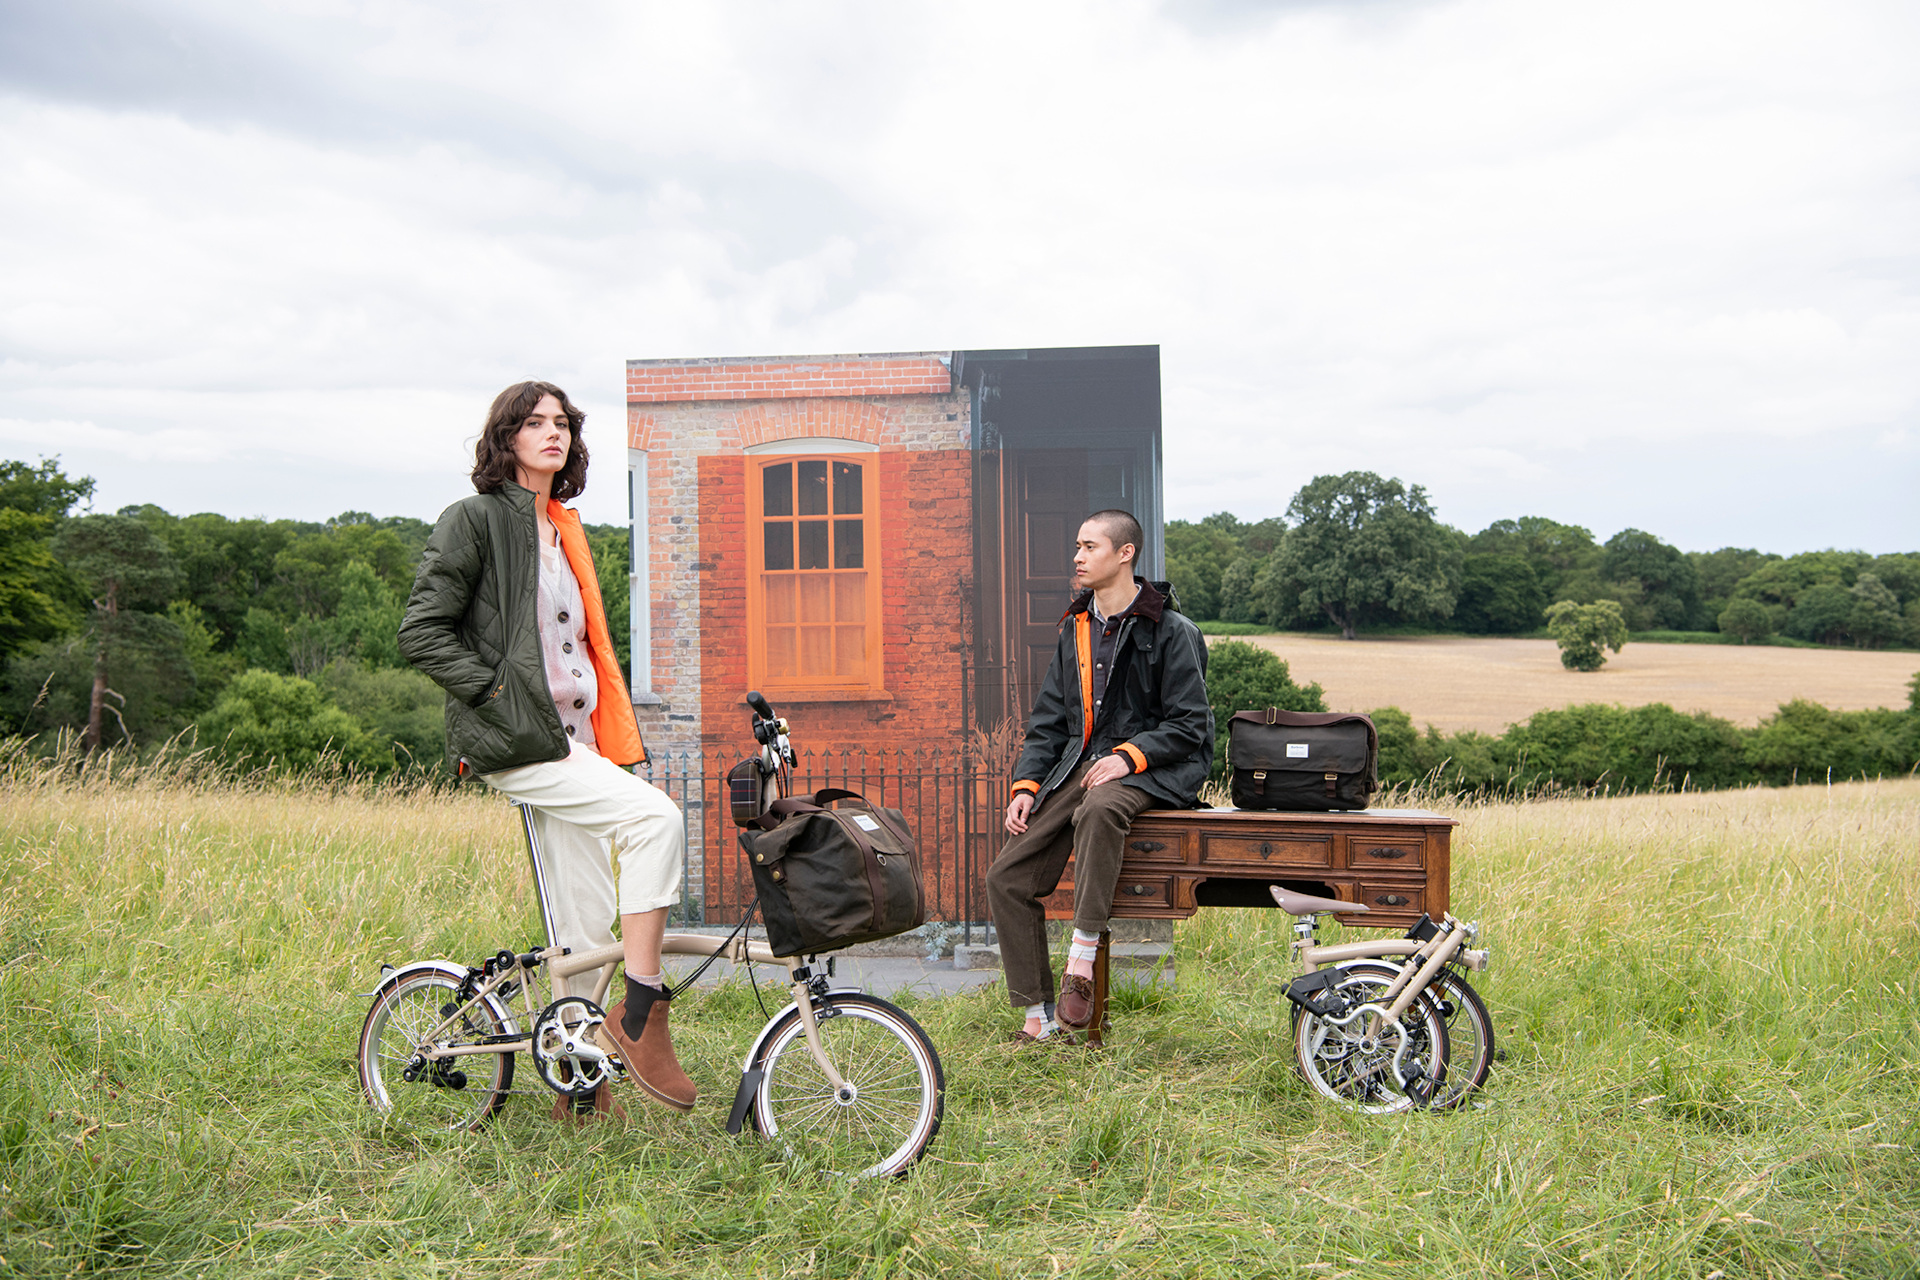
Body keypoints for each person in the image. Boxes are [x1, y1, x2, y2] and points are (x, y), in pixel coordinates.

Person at [398, 379, 695, 1121]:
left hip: (579, 739)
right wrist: (501, 698)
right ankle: (640, 1012)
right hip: (524, 740)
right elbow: (421, 631)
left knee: (585, 930)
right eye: (534, 423)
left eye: (561, 422)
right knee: (657, 821)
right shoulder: (473, 520)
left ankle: (577, 1084)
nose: (552, 433)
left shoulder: (562, 527)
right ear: (507, 437)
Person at [985, 510, 1213, 1042]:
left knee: (1102, 804)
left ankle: (1081, 961)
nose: (1078, 557)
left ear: (1125, 553)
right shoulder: (1076, 630)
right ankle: (1037, 1016)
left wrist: (1129, 756)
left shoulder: (1174, 631)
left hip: (1155, 771)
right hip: (1080, 767)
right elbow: (1047, 723)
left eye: (1090, 547)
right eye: (1078, 547)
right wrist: (1027, 786)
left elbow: (1190, 724)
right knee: (1006, 879)